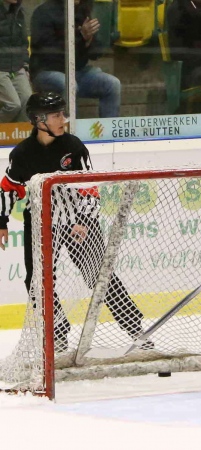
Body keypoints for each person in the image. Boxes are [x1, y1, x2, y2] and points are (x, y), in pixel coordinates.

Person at [0, 92, 152, 352]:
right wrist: (1, 221)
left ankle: (136, 328)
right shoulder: (22, 154)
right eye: (56, 115)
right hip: (41, 226)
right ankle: (57, 334)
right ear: (39, 120)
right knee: (37, 280)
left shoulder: (74, 146)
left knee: (99, 276)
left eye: (63, 113)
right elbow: (8, 188)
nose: (63, 119)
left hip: (80, 222)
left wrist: (82, 220)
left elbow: (90, 188)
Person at [30, 0, 121, 118]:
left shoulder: (82, 12)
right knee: (68, 84)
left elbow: (96, 54)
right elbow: (48, 53)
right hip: (46, 72)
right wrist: (81, 37)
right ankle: (67, 131)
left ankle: (109, 133)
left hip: (77, 72)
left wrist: (89, 40)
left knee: (112, 84)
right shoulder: (43, 12)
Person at [0, 0, 32, 123]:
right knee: (13, 105)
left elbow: (23, 43)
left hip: (17, 66)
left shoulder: (19, 12)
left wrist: (25, 66)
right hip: (0, 69)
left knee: (27, 102)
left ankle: (19, 136)